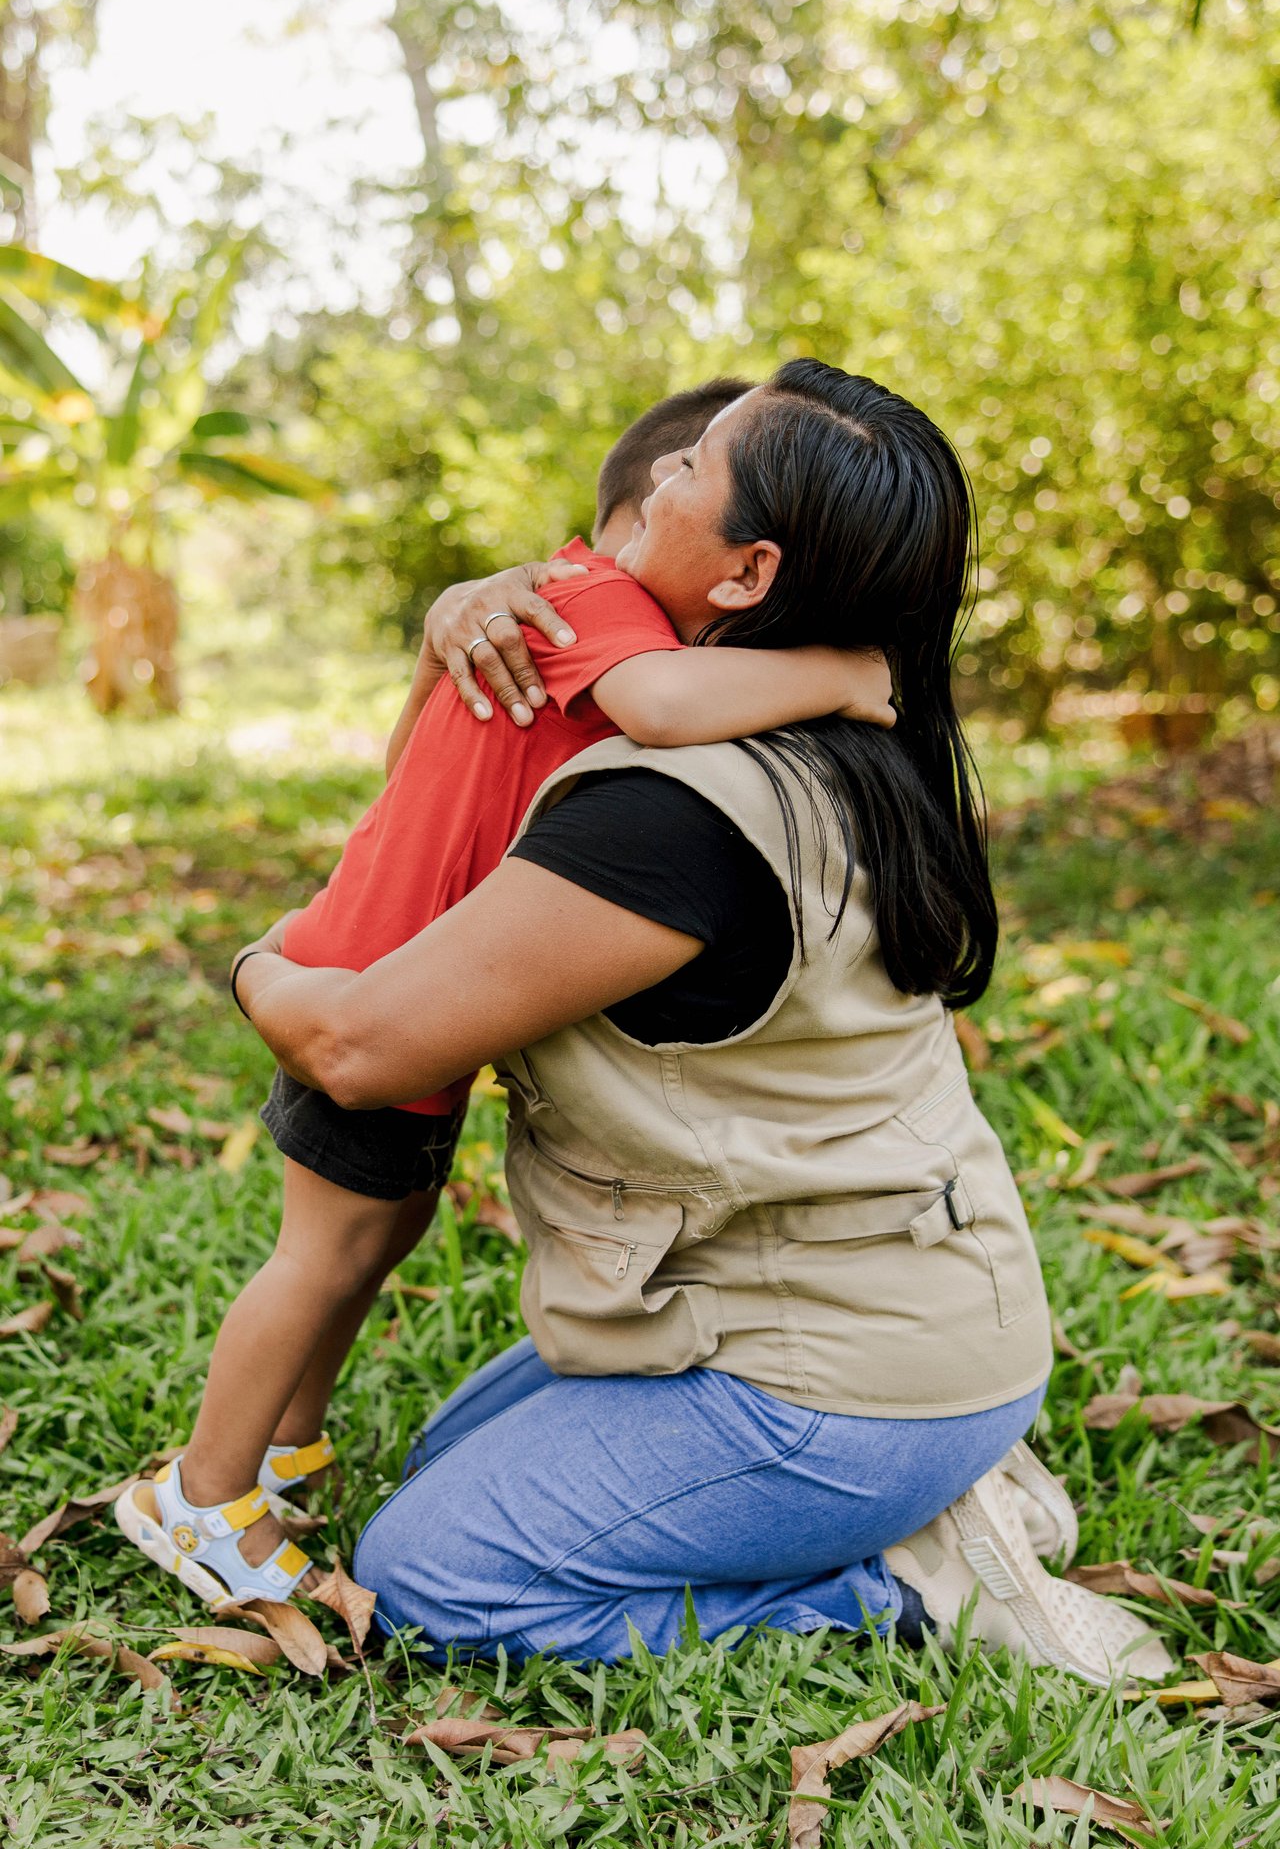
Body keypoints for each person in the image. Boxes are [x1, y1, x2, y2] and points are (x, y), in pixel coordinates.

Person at [156, 362, 1174, 1686]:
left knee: (430, 1574)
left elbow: (358, 1047)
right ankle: (907, 1475)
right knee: (443, 1463)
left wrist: (253, 963)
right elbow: (453, 795)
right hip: (890, 1301)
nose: (655, 474)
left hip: (838, 1369)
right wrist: (451, 630)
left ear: (749, 575)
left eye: (693, 467)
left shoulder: (673, 814)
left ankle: (903, 1582)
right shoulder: (856, 736)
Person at [114, 378, 897, 1609]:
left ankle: (282, 1441)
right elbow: (664, 704)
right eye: (681, 470)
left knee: (382, 1229)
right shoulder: (585, 598)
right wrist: (843, 675)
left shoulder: (557, 619)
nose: (673, 488)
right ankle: (198, 1497)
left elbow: (421, 760)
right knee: (319, 1254)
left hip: (408, 983)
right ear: (649, 518)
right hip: (368, 993)